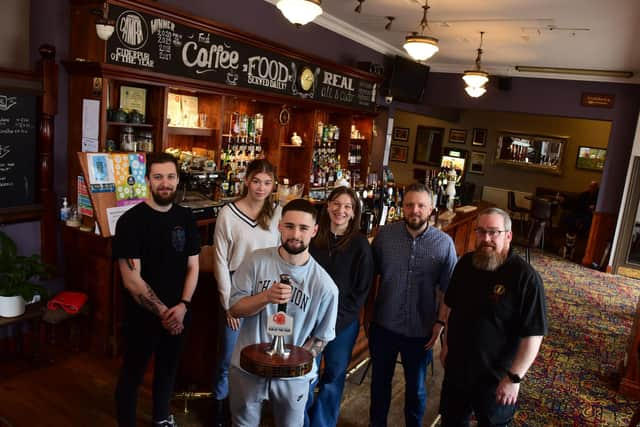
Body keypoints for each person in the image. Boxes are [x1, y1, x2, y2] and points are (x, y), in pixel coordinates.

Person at [228, 199, 339, 427]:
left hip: (294, 378)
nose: (295, 234)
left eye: (303, 228)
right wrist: (266, 297)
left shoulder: (325, 286)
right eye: (289, 226)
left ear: (314, 231)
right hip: (247, 368)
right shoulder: (255, 260)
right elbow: (235, 309)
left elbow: (322, 337)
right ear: (279, 226)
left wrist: (291, 363)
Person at [113, 152, 200, 427]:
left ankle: (161, 417)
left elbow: (193, 267)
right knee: (133, 372)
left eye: (170, 177)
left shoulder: (186, 217)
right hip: (143, 314)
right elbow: (132, 280)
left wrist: (183, 305)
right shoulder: (130, 221)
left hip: (179, 310)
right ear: (148, 180)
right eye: (158, 177)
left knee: (168, 369)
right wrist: (165, 312)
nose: (165, 183)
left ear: (177, 180)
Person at [439, 207, 548, 426]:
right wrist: (446, 346)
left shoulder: (525, 278)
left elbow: (534, 336)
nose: (486, 238)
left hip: (497, 380)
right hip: (458, 371)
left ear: (508, 235)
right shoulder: (465, 264)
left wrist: (514, 378)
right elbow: (452, 308)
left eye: (493, 232)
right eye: (481, 231)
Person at [367, 183, 458, 427]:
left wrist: (440, 322)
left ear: (431, 209)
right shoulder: (385, 236)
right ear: (402, 207)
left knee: (416, 390)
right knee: (379, 386)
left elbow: (449, 291)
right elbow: (368, 276)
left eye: (421, 205)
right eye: (409, 205)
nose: (414, 210)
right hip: (384, 325)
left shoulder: (444, 243)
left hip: (421, 330)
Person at [211, 159, 281, 426]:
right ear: (246, 181)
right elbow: (219, 260)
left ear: (273, 185)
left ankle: (248, 413)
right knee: (228, 359)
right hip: (236, 289)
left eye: (266, 182)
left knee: (261, 355)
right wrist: (229, 304)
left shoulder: (277, 214)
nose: (261, 187)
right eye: (256, 181)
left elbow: (279, 255)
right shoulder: (228, 213)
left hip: (265, 290)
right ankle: (219, 414)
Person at [305, 186, 374, 427]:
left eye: (347, 206)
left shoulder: (360, 245)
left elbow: (360, 293)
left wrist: (332, 325)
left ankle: (322, 423)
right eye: (336, 203)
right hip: (309, 321)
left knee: (333, 376)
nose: (340, 210)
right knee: (305, 374)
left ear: (354, 213)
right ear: (328, 206)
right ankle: (300, 420)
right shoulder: (313, 237)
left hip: (342, 325)